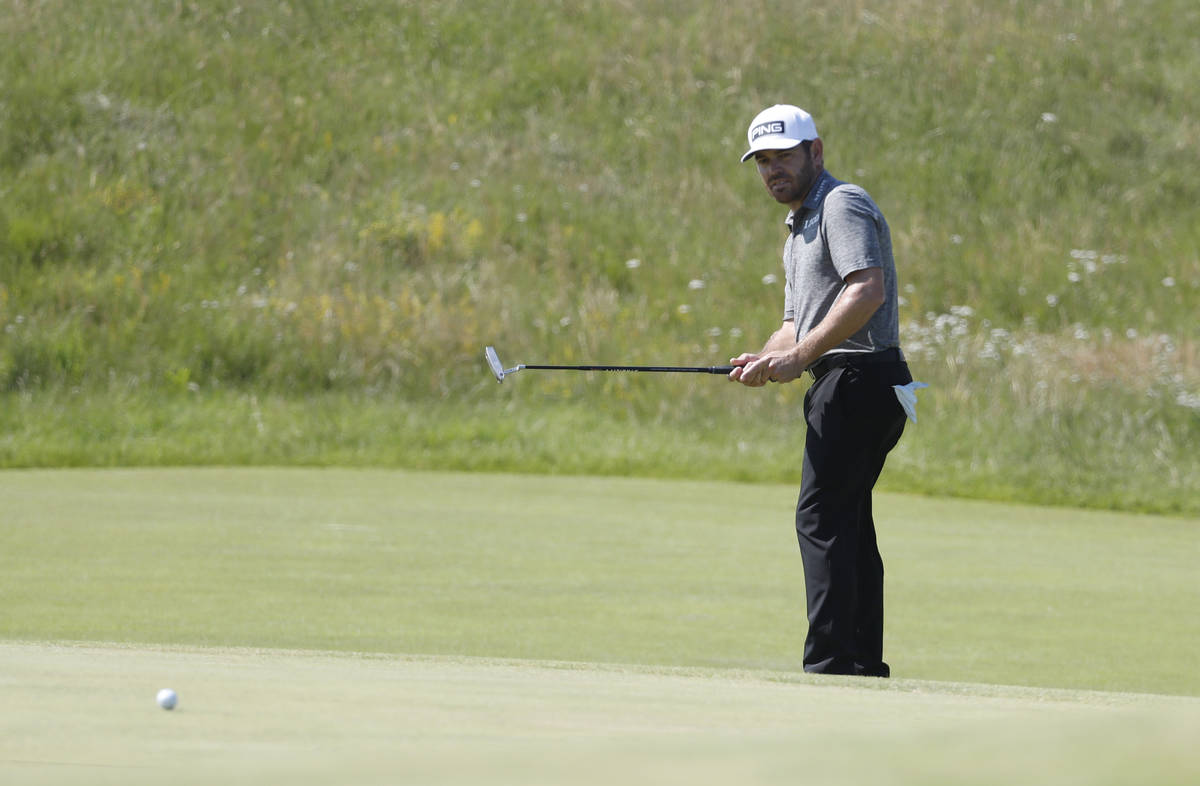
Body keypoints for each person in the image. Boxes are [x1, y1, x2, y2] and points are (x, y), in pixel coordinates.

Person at [729, 104, 913, 678]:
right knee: (847, 520)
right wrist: (768, 357)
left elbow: (866, 291)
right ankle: (858, 661)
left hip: (860, 379)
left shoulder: (842, 203)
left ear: (816, 151)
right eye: (762, 161)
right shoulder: (797, 226)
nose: (772, 170)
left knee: (821, 518)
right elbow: (794, 324)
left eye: (783, 156)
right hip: (853, 382)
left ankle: (831, 664)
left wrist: (799, 358)